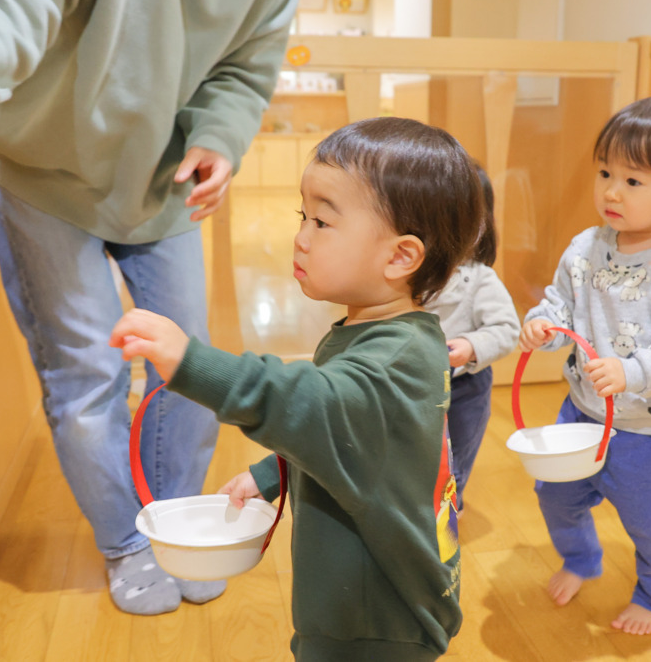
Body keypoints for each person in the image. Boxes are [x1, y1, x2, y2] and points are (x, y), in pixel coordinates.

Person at [0, 0, 301, 615]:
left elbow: (247, 63)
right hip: (39, 171)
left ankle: (175, 527)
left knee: (189, 364)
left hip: (163, 181)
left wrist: (221, 135)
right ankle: (128, 544)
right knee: (85, 370)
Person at [110, 117, 482, 660]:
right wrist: (273, 472)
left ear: (400, 256)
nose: (301, 237)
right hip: (358, 601)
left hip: (373, 620)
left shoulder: (393, 361)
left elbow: (312, 403)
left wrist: (190, 362)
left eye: (323, 223)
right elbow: (376, 446)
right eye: (302, 216)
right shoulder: (390, 336)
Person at [519, 95, 651, 635]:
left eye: (633, 181)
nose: (611, 190)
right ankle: (582, 559)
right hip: (583, 415)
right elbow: (560, 305)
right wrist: (541, 326)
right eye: (605, 172)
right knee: (556, 497)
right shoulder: (586, 247)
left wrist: (631, 371)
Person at [423, 163, 520, 513]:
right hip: (412, 386)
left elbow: (507, 329)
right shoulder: (406, 267)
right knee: (416, 459)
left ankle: (450, 511)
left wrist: (471, 346)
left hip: (464, 389)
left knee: (455, 457)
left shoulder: (479, 279)